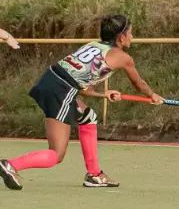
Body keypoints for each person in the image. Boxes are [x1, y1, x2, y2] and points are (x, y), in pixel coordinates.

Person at [0, 14, 163, 191]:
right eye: (130, 33)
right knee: (56, 154)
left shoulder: (93, 45)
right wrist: (152, 95)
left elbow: (80, 85)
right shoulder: (123, 57)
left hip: (51, 81)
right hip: (61, 92)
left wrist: (104, 94)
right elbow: (138, 83)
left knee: (88, 117)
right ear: (121, 36)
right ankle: (10, 165)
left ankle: (94, 175)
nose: (132, 37)